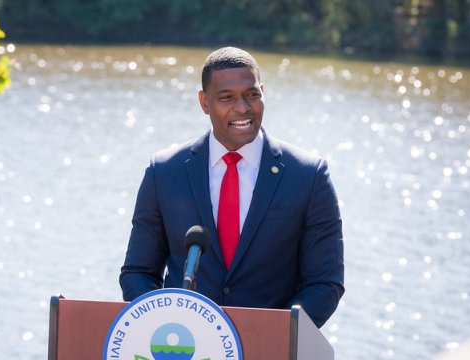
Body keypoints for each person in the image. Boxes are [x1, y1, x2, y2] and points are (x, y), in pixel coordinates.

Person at [119, 46, 344, 328]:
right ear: (204, 102)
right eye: (227, 97)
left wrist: (271, 340)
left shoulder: (309, 176)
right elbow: (138, 272)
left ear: (262, 91)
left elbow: (325, 284)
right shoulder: (164, 172)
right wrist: (164, 327)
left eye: (252, 95)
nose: (243, 108)